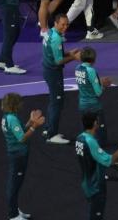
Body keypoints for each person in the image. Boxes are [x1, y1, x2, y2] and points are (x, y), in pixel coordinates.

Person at [74, 113, 118, 219]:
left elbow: (93, 158)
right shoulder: (91, 142)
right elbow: (110, 159)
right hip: (96, 186)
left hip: (87, 183)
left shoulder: (80, 138)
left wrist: (113, 165)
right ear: (95, 123)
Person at [0, 93, 44, 220]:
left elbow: (18, 131)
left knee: (16, 183)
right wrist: (35, 126)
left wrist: (30, 121)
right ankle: (13, 215)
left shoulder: (8, 117)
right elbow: (22, 138)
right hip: (18, 155)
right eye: (19, 103)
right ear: (15, 105)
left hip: (17, 153)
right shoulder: (12, 119)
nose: (22, 105)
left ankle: (14, 209)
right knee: (14, 184)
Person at [42, 14, 80, 144]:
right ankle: (52, 135)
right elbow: (58, 61)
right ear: (56, 23)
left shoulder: (49, 32)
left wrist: (69, 53)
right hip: (53, 72)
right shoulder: (56, 39)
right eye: (63, 24)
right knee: (57, 103)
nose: (65, 27)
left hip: (47, 70)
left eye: (67, 24)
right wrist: (74, 58)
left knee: (53, 101)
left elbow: (54, 53)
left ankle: (48, 128)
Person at [75, 47, 113, 146]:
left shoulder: (77, 68)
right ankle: (100, 148)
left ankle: (85, 144)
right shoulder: (91, 70)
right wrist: (103, 85)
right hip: (94, 105)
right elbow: (98, 92)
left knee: (86, 126)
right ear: (94, 60)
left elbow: (85, 83)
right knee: (100, 127)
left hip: (82, 104)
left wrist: (98, 81)